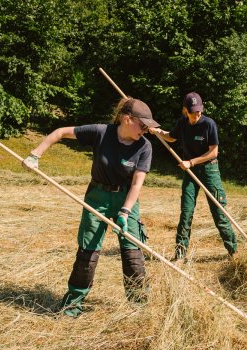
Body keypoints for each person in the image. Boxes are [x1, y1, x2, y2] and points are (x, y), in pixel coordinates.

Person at [23, 97, 158, 317]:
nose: (145, 130)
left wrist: (125, 212)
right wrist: (35, 154)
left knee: (133, 254)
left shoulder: (144, 146)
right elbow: (59, 132)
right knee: (88, 253)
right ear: (126, 119)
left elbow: (137, 183)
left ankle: (138, 306)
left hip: (127, 200)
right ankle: (73, 304)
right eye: (142, 125)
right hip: (97, 197)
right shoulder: (101, 133)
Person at [150, 92, 237, 260]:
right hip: (191, 173)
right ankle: (180, 253)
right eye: (192, 111)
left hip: (209, 170)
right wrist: (158, 132)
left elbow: (213, 152)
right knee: (186, 212)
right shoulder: (182, 123)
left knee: (219, 211)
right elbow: (172, 138)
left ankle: (234, 252)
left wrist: (191, 162)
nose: (197, 114)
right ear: (185, 110)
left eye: (198, 110)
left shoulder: (208, 124)